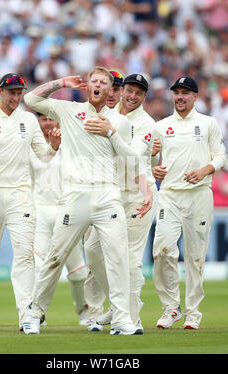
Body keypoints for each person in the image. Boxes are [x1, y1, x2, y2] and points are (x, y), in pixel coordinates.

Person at [23, 66, 151, 335]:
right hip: (76, 195)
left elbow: (130, 160)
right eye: (94, 81)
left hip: (108, 195)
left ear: (109, 90)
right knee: (55, 257)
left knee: (117, 259)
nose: (98, 85)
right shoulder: (70, 111)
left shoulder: (120, 122)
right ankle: (34, 314)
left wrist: (111, 134)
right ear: (87, 85)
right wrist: (60, 82)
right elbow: (31, 100)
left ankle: (121, 320)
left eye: (104, 83)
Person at [0, 73, 61, 332]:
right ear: (0, 92)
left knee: (25, 254)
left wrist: (55, 145)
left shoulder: (28, 119)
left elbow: (45, 156)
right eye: (11, 93)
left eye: (19, 93)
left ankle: (26, 315)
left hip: (20, 193)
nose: (16, 98)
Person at [84, 73, 158, 333]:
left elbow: (133, 156)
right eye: (129, 90)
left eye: (139, 92)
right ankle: (120, 306)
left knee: (130, 258)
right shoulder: (107, 113)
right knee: (93, 250)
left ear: (144, 96)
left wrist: (111, 134)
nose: (132, 96)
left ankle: (132, 319)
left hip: (139, 192)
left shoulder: (147, 124)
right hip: (111, 192)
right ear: (122, 90)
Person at [152, 76, 228, 330]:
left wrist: (205, 170)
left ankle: (193, 312)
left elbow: (221, 157)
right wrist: (154, 170)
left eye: (185, 93)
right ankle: (171, 308)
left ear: (195, 96)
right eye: (177, 93)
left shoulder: (208, 123)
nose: (180, 97)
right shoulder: (161, 126)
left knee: (195, 257)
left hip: (199, 195)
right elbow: (151, 161)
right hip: (169, 195)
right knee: (161, 250)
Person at [30, 113, 88, 326]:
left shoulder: (71, 144)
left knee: (78, 271)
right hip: (40, 210)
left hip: (66, 210)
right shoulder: (31, 146)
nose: (48, 123)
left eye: (51, 119)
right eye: (43, 119)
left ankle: (84, 313)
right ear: (38, 122)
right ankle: (37, 313)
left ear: (58, 121)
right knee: (38, 265)